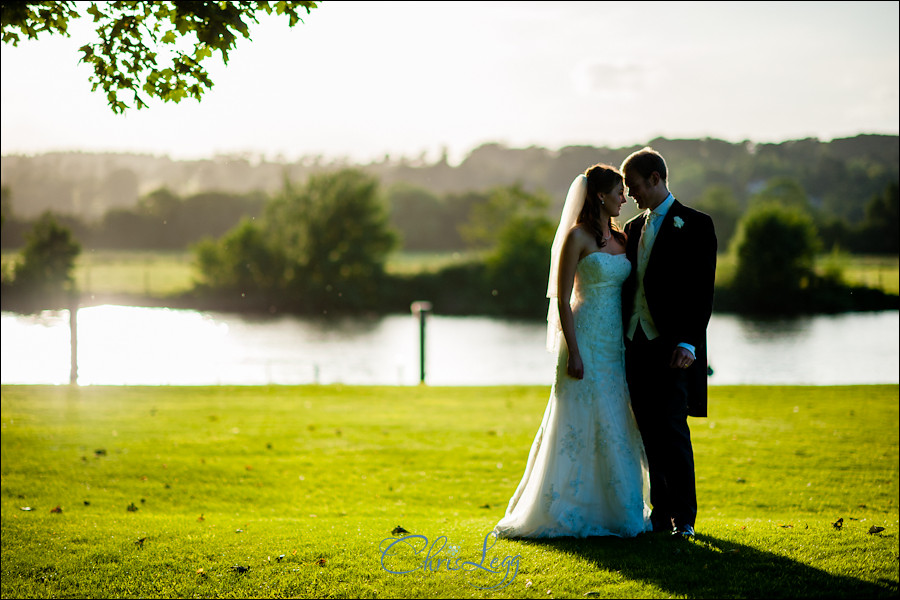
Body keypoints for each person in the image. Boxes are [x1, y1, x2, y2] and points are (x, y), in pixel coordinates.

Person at [493, 164, 652, 539]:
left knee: (614, 419)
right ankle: (565, 506)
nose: (624, 198)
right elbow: (562, 299)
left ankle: (618, 509)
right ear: (600, 195)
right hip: (583, 340)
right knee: (577, 420)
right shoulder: (576, 238)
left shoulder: (623, 238)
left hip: (614, 343)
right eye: (619, 192)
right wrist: (575, 353)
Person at [620, 147, 717, 538]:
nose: (632, 194)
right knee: (647, 433)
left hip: (673, 347)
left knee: (673, 430)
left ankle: (684, 519)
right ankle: (659, 518)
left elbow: (702, 292)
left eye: (636, 186)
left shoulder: (695, 223)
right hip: (634, 344)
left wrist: (689, 344)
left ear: (656, 178)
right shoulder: (630, 228)